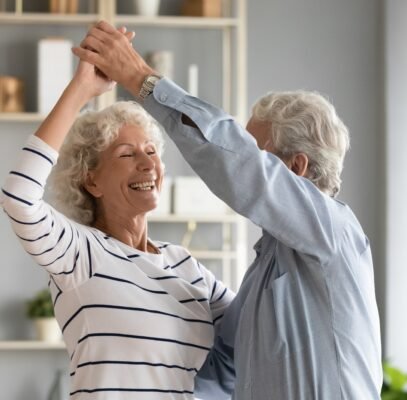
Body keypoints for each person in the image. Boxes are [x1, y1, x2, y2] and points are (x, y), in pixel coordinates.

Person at [72, 21, 383, 399]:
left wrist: (141, 78)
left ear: (295, 168)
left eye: (254, 151)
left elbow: (237, 167)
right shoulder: (264, 273)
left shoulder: (333, 230)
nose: (238, 157)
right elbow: (218, 368)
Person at [1, 42, 234, 399]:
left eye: (152, 151)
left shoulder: (185, 265)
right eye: (127, 154)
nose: (147, 164)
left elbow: (253, 329)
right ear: (91, 180)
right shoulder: (81, 253)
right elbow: (19, 196)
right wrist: (81, 88)